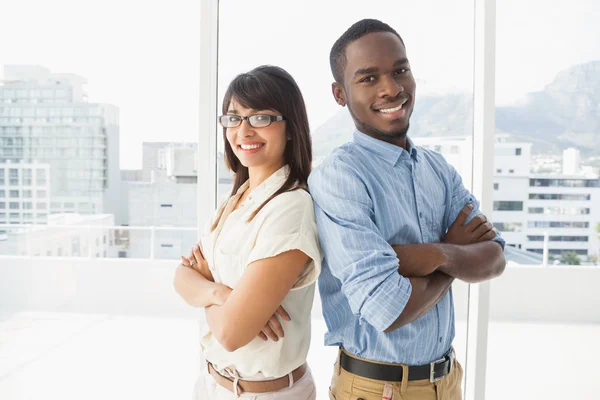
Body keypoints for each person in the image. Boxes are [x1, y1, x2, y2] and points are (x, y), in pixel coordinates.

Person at [308, 19, 506, 400]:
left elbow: (495, 257)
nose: (392, 88)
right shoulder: (339, 178)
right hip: (377, 389)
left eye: (400, 70)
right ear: (339, 94)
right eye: (368, 78)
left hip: (447, 381)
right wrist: (452, 251)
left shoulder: (437, 169)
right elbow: (388, 309)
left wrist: (431, 256)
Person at [174, 65, 321, 399]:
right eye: (233, 118)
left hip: (266, 393)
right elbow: (181, 277)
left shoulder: (291, 208)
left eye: (260, 117)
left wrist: (208, 286)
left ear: (290, 128)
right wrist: (222, 295)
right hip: (214, 382)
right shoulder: (237, 198)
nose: (243, 130)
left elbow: (230, 332)